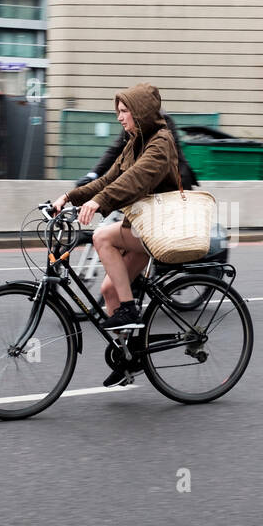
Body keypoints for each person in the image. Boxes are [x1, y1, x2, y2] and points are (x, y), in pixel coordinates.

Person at [54, 83, 187, 337]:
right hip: (143, 226)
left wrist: (98, 202)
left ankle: (129, 309)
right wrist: (70, 197)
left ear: (139, 111)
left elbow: (134, 179)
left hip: (161, 226)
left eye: (124, 110)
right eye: (119, 111)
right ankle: (127, 358)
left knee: (102, 236)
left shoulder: (160, 143)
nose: (119, 117)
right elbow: (107, 179)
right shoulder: (135, 142)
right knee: (109, 290)